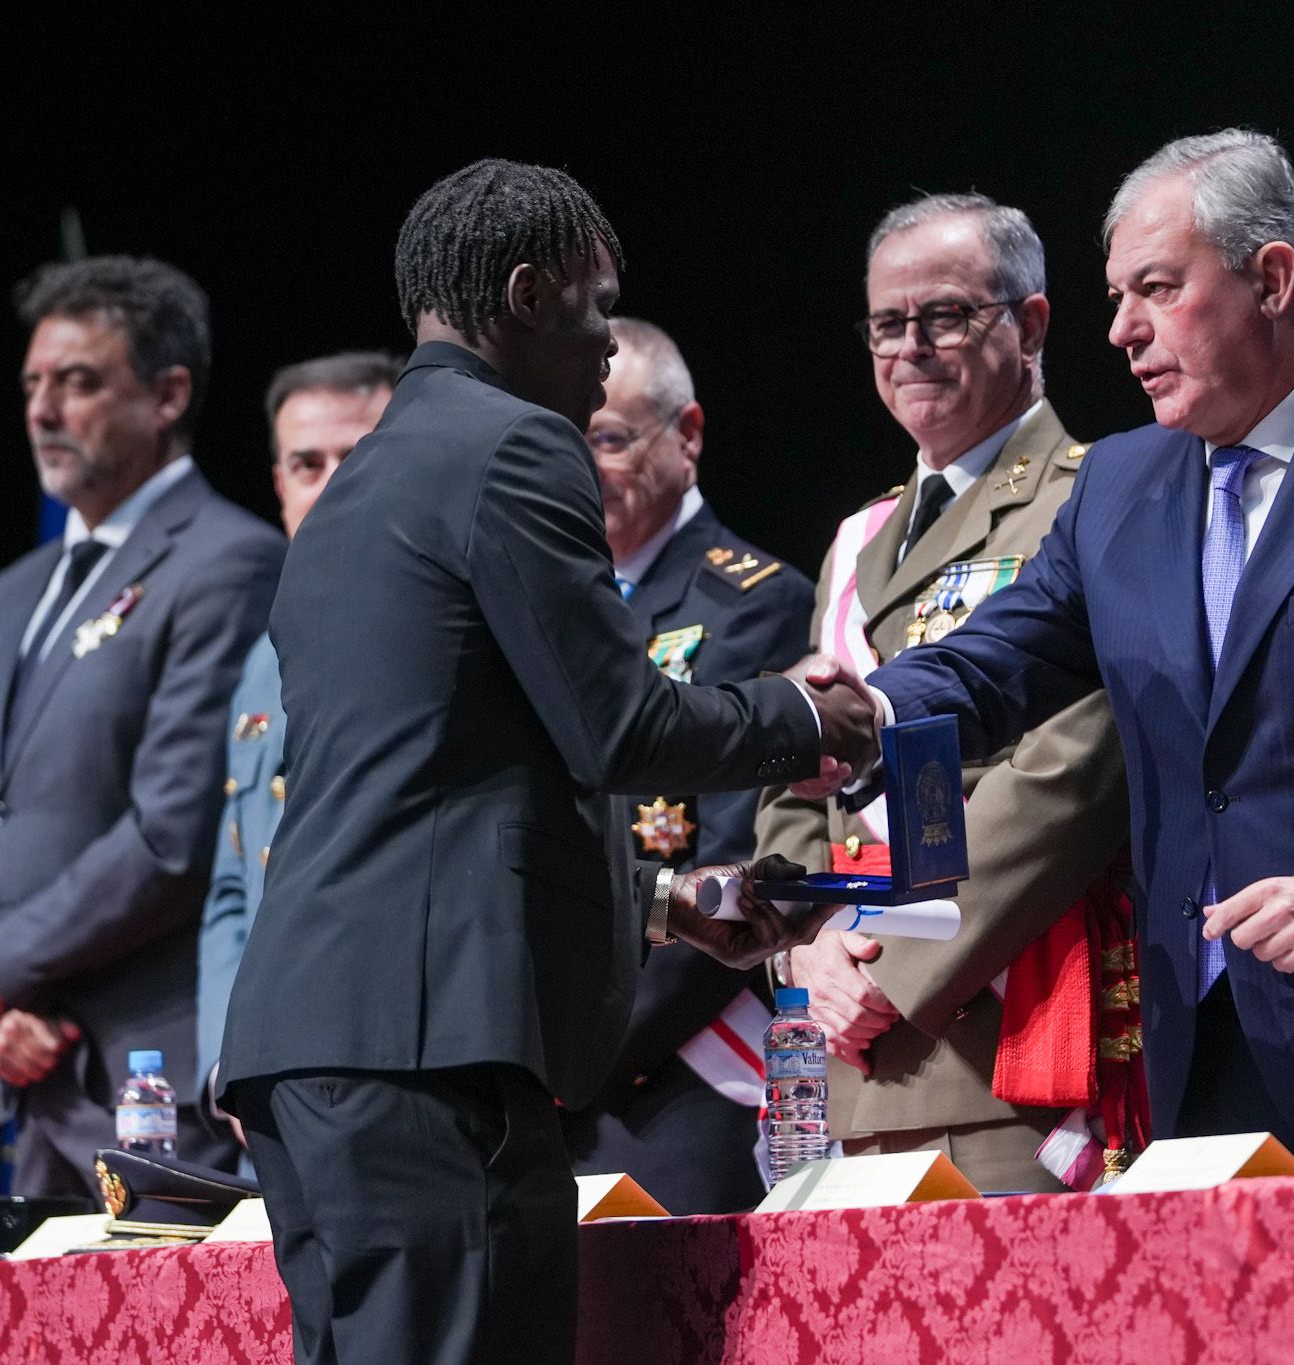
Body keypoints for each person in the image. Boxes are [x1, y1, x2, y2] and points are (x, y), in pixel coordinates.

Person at [215, 159, 874, 1365]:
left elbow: (437, 787)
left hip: (310, 1049)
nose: (605, 355)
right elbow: (616, 729)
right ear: (524, 295)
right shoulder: (513, 449)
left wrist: (661, 903)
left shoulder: (356, 487)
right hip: (430, 1057)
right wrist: (794, 713)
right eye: (591, 311)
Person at [851, 132, 1294, 1173]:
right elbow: (989, 663)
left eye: (1157, 289)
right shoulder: (1120, 486)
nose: (1121, 330)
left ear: (1269, 277)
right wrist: (849, 719)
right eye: (1116, 294)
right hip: (1193, 1059)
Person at [754, 193, 1135, 1192]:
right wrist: (804, 947)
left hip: (1008, 1037)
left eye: (948, 315)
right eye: (888, 322)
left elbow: (1074, 763)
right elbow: (797, 776)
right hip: (850, 1051)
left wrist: (891, 961)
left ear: (1033, 324)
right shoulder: (857, 540)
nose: (911, 346)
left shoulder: (1098, 495)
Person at [0, 256, 283, 1197]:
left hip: (154, 1082)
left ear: (168, 395)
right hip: (27, 1081)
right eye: (34, 383)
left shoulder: (229, 563)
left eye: (77, 382)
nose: (43, 409)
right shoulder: (6, 599)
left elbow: (174, 832)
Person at [561, 318, 814, 1214]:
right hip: (552, 1069)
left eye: (609, 437)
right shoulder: (545, 607)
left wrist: (582, 1055)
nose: (581, 463)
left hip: (677, 1070)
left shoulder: (755, 603)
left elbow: (744, 866)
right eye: (563, 436)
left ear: (689, 436)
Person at [194, 351, 400, 1156]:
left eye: (357, 457)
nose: (329, 483)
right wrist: (229, 1058)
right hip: (275, 1085)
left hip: (390, 1070)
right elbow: (229, 893)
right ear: (278, 484)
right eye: (306, 464)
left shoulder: (454, 632)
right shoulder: (262, 659)